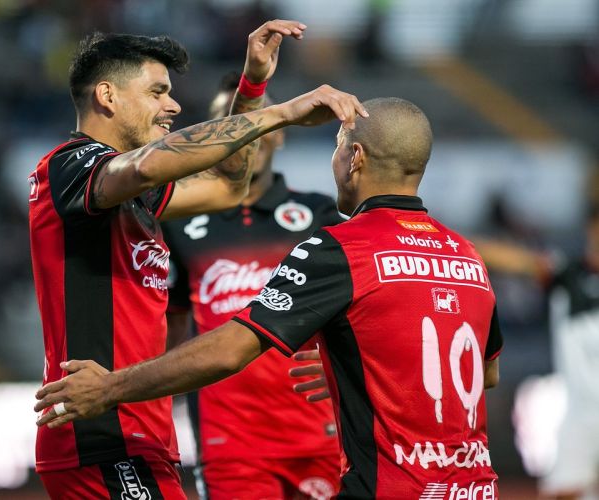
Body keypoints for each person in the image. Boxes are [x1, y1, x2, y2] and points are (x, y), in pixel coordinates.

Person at [34, 97, 501, 499]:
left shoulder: (340, 245)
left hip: (387, 486)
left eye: (337, 147)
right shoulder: (466, 255)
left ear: (355, 157)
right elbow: (486, 371)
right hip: (474, 486)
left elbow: (230, 349)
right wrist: (357, 357)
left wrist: (110, 388)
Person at [28, 21, 367, 500]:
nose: (173, 106)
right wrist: (284, 114)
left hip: (136, 432)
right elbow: (147, 164)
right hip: (99, 430)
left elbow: (229, 185)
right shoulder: (68, 165)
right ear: (107, 95)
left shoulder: (141, 199)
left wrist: (252, 86)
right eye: (157, 92)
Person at [161, 72, 343, 499]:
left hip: (322, 436)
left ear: (279, 134)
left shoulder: (321, 216)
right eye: (231, 123)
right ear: (211, 137)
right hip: (230, 445)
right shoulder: (177, 224)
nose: (246, 133)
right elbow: (170, 322)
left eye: (257, 120)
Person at [474, 212, 599, 500]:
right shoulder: (568, 274)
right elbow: (515, 260)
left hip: (581, 414)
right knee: (564, 492)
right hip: (581, 413)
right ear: (590, 230)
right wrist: (454, 243)